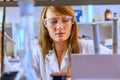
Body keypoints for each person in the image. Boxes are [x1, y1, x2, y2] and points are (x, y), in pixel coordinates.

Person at [31, 6, 112, 80]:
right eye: (53, 21)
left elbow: (115, 64)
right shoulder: (38, 52)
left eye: (65, 20)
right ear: (45, 26)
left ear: (72, 24)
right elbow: (23, 74)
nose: (59, 27)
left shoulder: (88, 47)